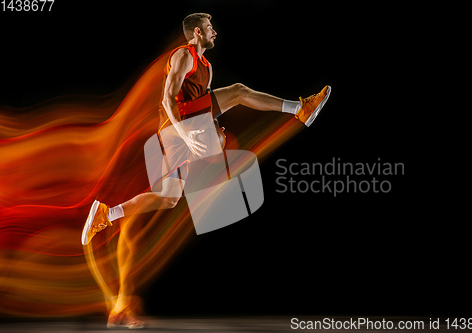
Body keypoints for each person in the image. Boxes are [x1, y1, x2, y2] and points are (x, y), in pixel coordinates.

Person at [81, 13, 330, 329]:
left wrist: (204, 129)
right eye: (211, 28)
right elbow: (167, 100)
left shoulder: (207, 67)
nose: (216, 32)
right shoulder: (184, 55)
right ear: (197, 32)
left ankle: (107, 214)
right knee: (238, 91)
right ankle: (300, 109)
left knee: (168, 198)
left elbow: (199, 105)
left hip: (181, 134)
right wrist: (187, 133)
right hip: (176, 128)